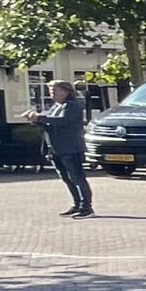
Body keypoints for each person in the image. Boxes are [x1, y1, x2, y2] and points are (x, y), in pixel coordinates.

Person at [38, 81, 93, 218]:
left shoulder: (73, 106)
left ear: (66, 91)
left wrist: (41, 118)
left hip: (70, 148)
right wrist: (36, 120)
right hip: (56, 149)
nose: (52, 94)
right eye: (50, 91)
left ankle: (86, 207)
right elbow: (50, 125)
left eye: (55, 91)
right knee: (67, 179)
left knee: (77, 178)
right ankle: (77, 204)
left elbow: (62, 121)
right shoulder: (56, 107)